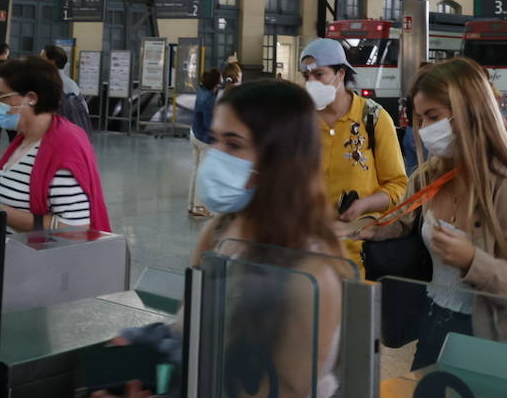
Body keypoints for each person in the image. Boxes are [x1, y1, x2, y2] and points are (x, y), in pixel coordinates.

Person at [102, 80, 346, 397]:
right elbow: (191, 328)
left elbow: (286, 390)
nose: (215, 155)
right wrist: (143, 341)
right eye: (215, 139)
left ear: (281, 159)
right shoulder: (220, 232)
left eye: (233, 144)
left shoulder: (312, 272)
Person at [359, 57, 507, 370]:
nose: (426, 129)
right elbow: (407, 221)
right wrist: (381, 229)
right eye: (420, 119)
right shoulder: (427, 178)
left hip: (492, 341)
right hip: (433, 326)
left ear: (469, 114)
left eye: (433, 117)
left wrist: (473, 261)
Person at [0, 57, 110, 232]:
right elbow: (11, 195)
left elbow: (75, 227)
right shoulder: (24, 140)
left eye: (2, 97)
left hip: (31, 256)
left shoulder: (63, 146)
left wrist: (0, 211)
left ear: (31, 98)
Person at [299, 37, 407, 269]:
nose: (311, 83)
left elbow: (397, 186)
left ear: (340, 74)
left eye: (319, 75)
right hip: (305, 253)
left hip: (356, 255)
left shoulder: (373, 118)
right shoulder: (299, 121)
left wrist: (363, 206)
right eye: (306, 77)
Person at [188, 67, 221, 218]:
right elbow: (209, 124)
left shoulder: (201, 90)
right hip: (204, 139)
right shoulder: (208, 100)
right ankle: (199, 207)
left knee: (195, 171)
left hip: (194, 134)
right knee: (202, 173)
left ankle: (191, 205)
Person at [42, 44, 92, 134]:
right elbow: (85, 109)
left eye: (43, 57)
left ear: (52, 62)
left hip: (55, 133)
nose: (39, 60)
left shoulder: (48, 83)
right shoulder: (72, 84)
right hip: (73, 133)